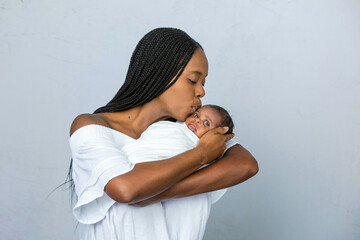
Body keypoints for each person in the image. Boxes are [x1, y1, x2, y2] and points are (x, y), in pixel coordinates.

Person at [69, 27, 258, 240]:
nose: (202, 91)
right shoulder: (92, 126)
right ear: (159, 73)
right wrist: (202, 156)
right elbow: (126, 189)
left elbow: (246, 164)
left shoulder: (188, 133)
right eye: (193, 80)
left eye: (203, 83)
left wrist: (155, 193)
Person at [120, 104, 234, 240]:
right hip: (137, 171)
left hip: (157, 186)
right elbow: (151, 139)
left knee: (192, 204)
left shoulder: (205, 147)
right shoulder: (172, 127)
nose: (197, 120)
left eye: (206, 123)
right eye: (196, 115)